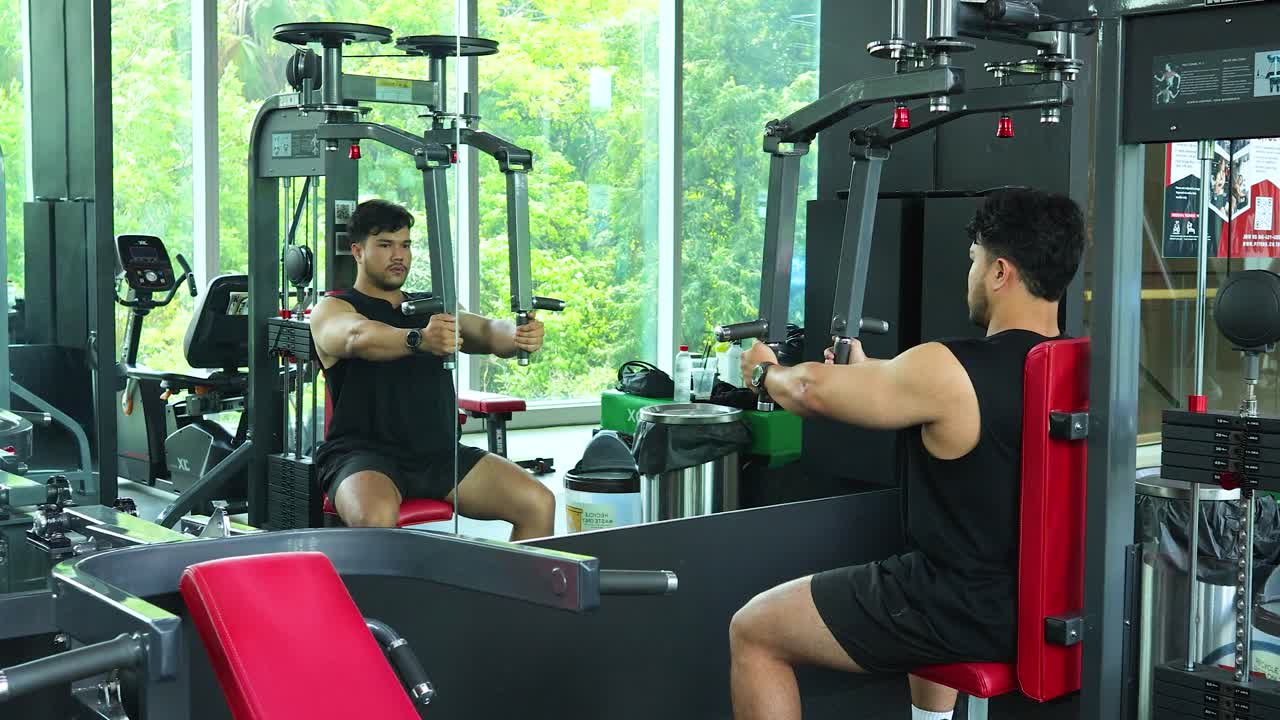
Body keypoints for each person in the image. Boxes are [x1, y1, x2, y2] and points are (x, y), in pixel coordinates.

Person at [729, 189, 1086, 720]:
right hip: (1047, 608)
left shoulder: (949, 367)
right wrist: (869, 370)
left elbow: (808, 392)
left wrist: (763, 371)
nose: (971, 275)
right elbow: (909, 387)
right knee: (914, 573)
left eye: (974, 262)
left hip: (958, 608)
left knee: (754, 630)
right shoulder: (1077, 365)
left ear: (999, 272)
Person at [310, 199, 555, 540]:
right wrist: (418, 339)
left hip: (439, 455)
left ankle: (517, 594)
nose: (399, 256)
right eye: (385, 245)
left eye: (405, 245)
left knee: (538, 502)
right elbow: (355, 337)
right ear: (358, 251)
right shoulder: (333, 307)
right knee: (375, 517)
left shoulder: (430, 306)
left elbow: (485, 331)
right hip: (364, 455)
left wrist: (517, 335)